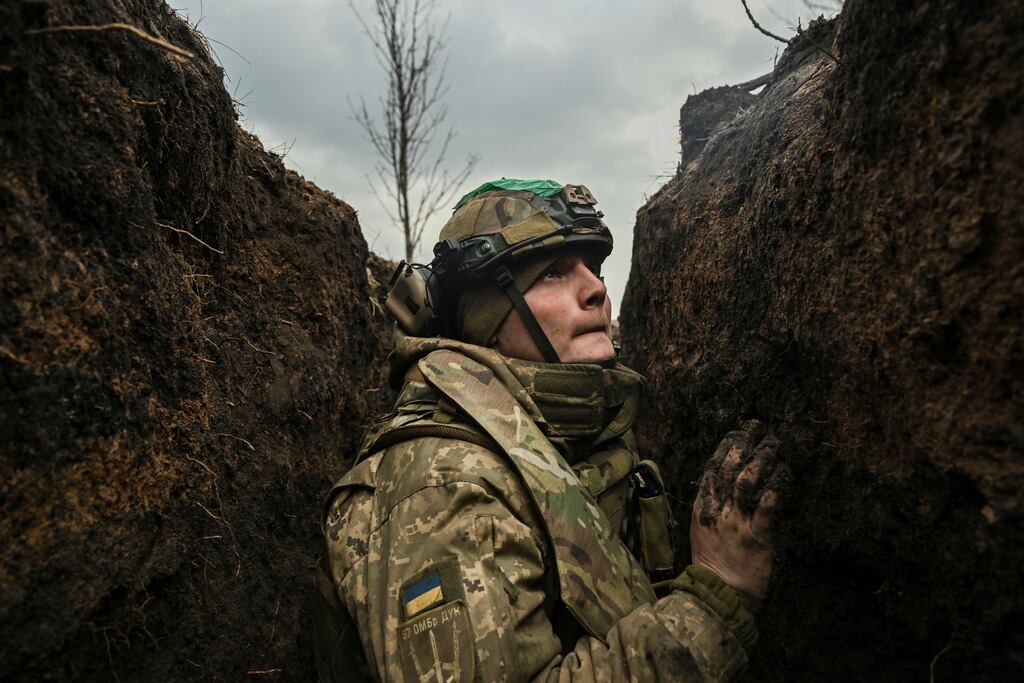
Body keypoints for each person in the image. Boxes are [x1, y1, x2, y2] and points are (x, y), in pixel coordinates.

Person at [313, 179, 784, 682]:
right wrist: (713, 601)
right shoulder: (443, 485)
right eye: (554, 273)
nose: (596, 290)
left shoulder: (568, 437)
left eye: (592, 267)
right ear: (486, 321)